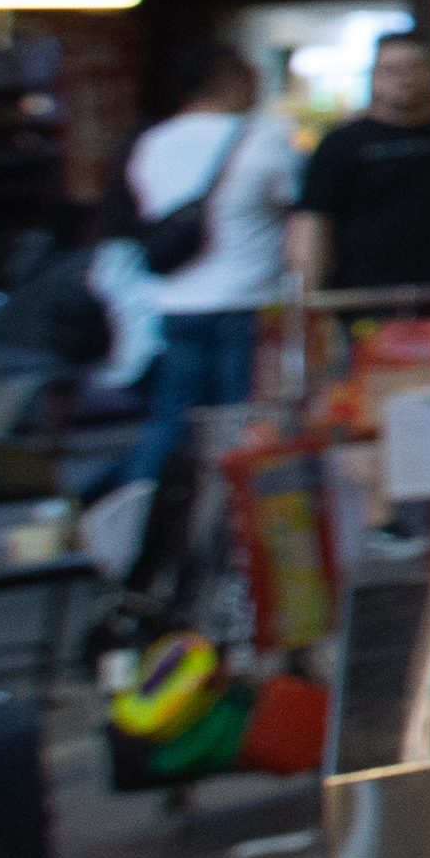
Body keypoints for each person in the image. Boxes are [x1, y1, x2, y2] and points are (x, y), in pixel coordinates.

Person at [117, 41, 295, 514]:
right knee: (246, 423)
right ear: (226, 80)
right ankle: (241, 529)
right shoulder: (265, 137)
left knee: (169, 425)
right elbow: (293, 208)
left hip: (175, 305)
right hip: (248, 303)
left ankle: (135, 531)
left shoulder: (153, 142)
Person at [290, 28, 430, 300]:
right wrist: (312, 299)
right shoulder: (341, 144)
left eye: (413, 67)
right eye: (390, 70)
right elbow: (313, 222)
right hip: (363, 304)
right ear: (374, 76)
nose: (403, 79)